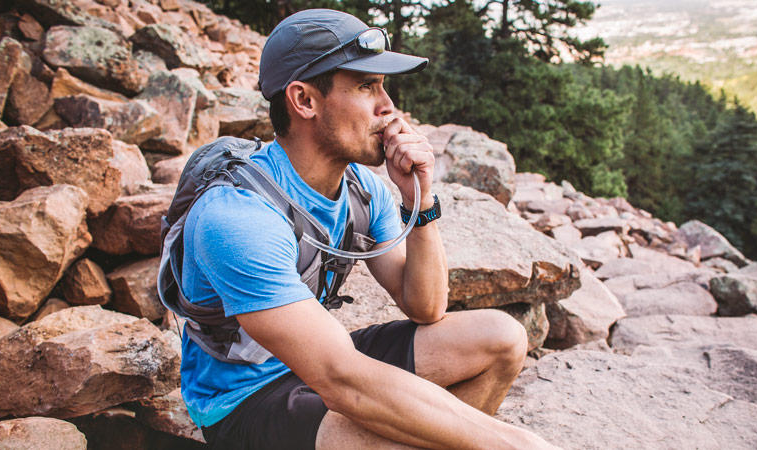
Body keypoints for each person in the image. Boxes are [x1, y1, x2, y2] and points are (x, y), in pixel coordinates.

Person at [179, 8, 560, 449]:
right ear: (304, 101)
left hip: (319, 359)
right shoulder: (238, 217)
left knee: (502, 339)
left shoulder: (362, 190)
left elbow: (426, 308)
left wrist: (421, 199)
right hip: (244, 400)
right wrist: (518, 443)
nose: (388, 107)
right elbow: (345, 381)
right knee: (388, 437)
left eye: (383, 86)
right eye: (365, 86)